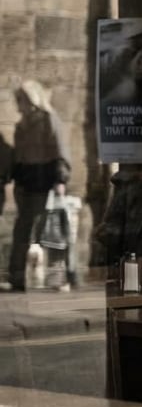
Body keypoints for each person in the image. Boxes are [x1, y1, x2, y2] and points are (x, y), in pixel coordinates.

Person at [8, 81, 71, 292]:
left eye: (21, 100)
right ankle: (17, 278)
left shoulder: (48, 120)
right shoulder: (20, 126)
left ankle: (57, 278)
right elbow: (18, 158)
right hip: (26, 183)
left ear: (32, 99)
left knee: (51, 232)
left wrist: (60, 180)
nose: (19, 106)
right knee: (21, 231)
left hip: (46, 182)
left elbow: (60, 150)